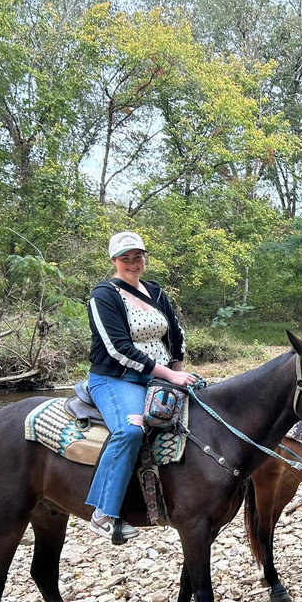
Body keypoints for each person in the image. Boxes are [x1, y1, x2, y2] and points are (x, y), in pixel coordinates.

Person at [85, 230, 199, 542]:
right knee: (130, 430)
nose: (133, 263)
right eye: (126, 258)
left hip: (161, 376)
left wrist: (178, 372)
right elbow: (117, 348)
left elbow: (176, 334)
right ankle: (104, 511)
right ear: (114, 261)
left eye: (138, 257)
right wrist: (168, 375)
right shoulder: (103, 295)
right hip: (116, 378)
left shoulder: (156, 292)